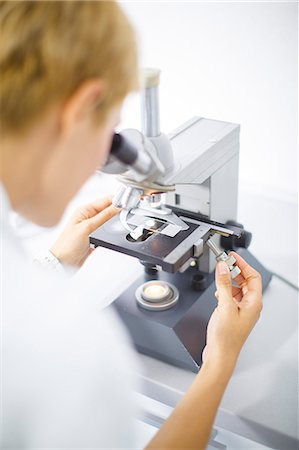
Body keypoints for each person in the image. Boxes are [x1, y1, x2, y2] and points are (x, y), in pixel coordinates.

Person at [0, 1, 263, 449]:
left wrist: (54, 263)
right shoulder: (70, 344)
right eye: (113, 134)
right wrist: (219, 361)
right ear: (82, 108)